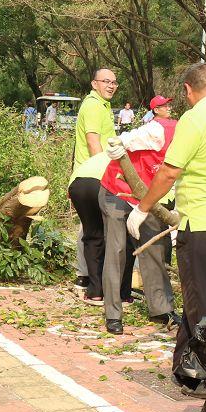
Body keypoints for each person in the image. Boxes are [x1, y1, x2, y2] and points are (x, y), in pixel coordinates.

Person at [127, 62, 206, 396]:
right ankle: (184, 369)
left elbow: (169, 172)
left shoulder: (194, 119)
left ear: (188, 90)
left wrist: (142, 209)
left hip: (202, 223)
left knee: (205, 305)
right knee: (202, 296)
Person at [98, 95, 181, 335]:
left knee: (154, 248)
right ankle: (113, 314)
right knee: (117, 251)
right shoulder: (158, 131)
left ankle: (162, 309)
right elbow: (126, 138)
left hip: (147, 198)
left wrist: (177, 211)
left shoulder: (191, 144)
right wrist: (116, 144)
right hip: (117, 191)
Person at [68, 68, 118, 305]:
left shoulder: (102, 106)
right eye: (106, 81)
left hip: (91, 175)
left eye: (114, 82)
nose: (110, 85)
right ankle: (87, 278)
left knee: (91, 229)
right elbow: (92, 142)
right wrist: (105, 173)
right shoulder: (93, 106)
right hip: (93, 175)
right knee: (94, 231)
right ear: (94, 84)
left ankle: (90, 280)